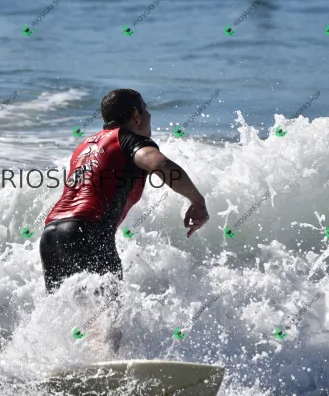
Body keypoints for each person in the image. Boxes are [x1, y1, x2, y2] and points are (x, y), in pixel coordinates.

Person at [39, 88, 209, 354]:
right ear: (136, 115)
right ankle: (106, 367)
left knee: (70, 315)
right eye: (146, 110)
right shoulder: (128, 139)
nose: (150, 115)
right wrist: (197, 201)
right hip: (88, 231)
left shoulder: (84, 147)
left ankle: (62, 365)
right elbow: (160, 164)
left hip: (51, 236)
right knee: (111, 314)